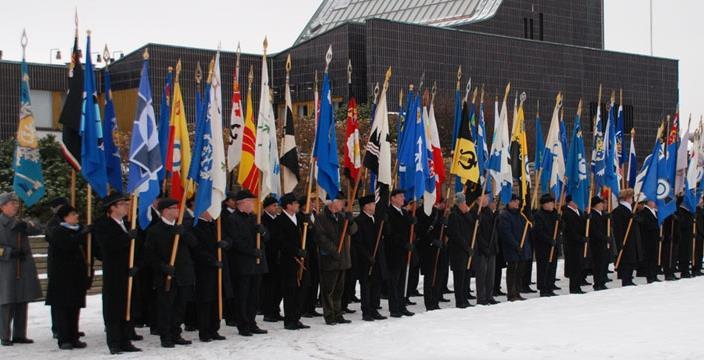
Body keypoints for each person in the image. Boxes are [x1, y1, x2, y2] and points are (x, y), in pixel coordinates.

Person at [92, 192, 141, 354]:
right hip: (114, 273)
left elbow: (137, 250)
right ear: (112, 208)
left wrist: (136, 265)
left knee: (128, 306)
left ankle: (126, 340)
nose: (126, 207)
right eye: (122, 204)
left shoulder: (127, 224)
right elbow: (107, 247)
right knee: (114, 308)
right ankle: (114, 342)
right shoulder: (102, 224)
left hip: (129, 272)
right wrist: (127, 238)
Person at [146, 198, 198, 348]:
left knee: (180, 306)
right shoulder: (154, 230)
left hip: (183, 273)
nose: (177, 210)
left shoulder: (182, 227)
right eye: (174, 208)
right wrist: (163, 267)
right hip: (167, 275)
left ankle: (176, 333)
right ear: (165, 211)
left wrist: (183, 234)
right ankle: (166, 335)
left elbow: (194, 244)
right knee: (166, 306)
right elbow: (150, 255)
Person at [223, 189, 269, 337]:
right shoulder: (233, 219)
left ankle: (251, 321)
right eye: (250, 202)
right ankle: (242, 324)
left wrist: (262, 232)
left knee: (254, 296)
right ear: (241, 204)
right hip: (242, 264)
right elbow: (235, 241)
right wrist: (251, 251)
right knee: (242, 296)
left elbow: (267, 238)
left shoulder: (255, 218)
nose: (252, 205)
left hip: (257, 264)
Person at [44, 205, 89, 350]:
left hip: (76, 277)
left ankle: (74, 336)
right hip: (61, 278)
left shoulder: (77, 230)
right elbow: (68, 245)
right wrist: (82, 234)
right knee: (62, 310)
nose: (76, 216)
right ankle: (64, 339)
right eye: (73, 214)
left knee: (74, 308)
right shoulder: (58, 231)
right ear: (65, 217)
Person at [0, 192, 41, 347]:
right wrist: (9, 252)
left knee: (22, 300)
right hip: (6, 268)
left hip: (22, 267)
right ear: (2, 206)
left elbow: (38, 228)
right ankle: (4, 335)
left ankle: (19, 334)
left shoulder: (20, 222)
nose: (15, 206)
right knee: (7, 302)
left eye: (16, 203)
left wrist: (29, 226)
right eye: (11, 203)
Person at [314, 192, 357, 325]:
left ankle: (338, 313)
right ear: (332, 202)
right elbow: (321, 238)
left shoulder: (342, 216)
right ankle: (329, 315)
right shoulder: (321, 217)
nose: (343, 204)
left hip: (342, 259)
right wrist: (333, 251)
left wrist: (351, 222)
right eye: (341, 201)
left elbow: (353, 231)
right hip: (329, 259)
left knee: (339, 290)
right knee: (328, 290)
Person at [274, 193, 311, 330]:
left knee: (302, 290)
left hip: (302, 259)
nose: (298, 205)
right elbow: (280, 241)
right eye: (295, 203)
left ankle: (297, 317)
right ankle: (289, 320)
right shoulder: (280, 220)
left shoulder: (300, 219)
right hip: (289, 261)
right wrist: (295, 251)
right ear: (288, 205)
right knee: (290, 291)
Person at [191, 210, 228, 342]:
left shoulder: (215, 225)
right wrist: (211, 261)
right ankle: (204, 330)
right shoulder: (196, 226)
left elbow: (227, 237)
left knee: (217, 300)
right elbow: (197, 249)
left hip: (219, 268)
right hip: (204, 270)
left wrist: (224, 243)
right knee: (206, 301)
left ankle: (214, 329)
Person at [353, 195, 388, 320]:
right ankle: (366, 311)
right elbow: (358, 243)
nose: (374, 206)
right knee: (366, 286)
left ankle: (374, 309)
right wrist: (367, 256)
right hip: (365, 260)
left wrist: (385, 221)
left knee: (376, 285)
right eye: (372, 204)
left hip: (377, 258)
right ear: (366, 206)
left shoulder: (376, 219)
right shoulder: (359, 221)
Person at [384, 189, 416, 317]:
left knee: (403, 280)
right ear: (393, 198)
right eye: (400, 196)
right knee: (394, 282)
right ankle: (394, 308)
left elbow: (410, 229)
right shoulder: (389, 212)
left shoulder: (404, 212)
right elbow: (390, 233)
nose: (403, 198)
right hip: (394, 252)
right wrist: (403, 243)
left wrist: (413, 222)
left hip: (404, 253)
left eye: (403, 196)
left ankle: (402, 305)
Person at [416, 199, 446, 311]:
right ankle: (429, 303)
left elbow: (441, 230)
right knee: (430, 277)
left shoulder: (437, 212)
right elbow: (420, 231)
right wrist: (432, 241)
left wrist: (445, 225)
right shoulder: (419, 212)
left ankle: (436, 300)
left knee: (439, 276)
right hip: (427, 250)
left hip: (439, 249)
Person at [447, 192, 475, 308]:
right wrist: (466, 247)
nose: (466, 205)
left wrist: (468, 213)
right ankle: (460, 300)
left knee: (466, 276)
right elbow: (456, 235)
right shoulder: (454, 215)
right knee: (459, 278)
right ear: (459, 204)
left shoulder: (464, 214)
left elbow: (472, 225)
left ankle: (465, 298)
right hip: (458, 252)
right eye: (464, 203)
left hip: (466, 251)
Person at [499, 194, 527, 302]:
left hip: (520, 247)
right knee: (512, 271)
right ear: (509, 202)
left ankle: (517, 292)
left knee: (519, 271)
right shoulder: (505, 215)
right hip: (511, 248)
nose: (517, 203)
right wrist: (516, 245)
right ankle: (511, 293)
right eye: (514, 201)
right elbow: (506, 233)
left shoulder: (519, 214)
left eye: (517, 201)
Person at [612, 189, 642, 286]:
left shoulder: (630, 209)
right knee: (626, 260)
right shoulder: (619, 210)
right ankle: (626, 279)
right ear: (627, 198)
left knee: (631, 259)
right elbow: (619, 228)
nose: (632, 199)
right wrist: (620, 241)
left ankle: (629, 277)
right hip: (625, 239)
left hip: (632, 238)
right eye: (631, 197)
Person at [261, 195, 283, 323]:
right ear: (267, 207)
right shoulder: (263, 220)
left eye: (277, 205)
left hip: (279, 257)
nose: (276, 208)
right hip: (269, 257)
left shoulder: (279, 219)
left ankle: (275, 310)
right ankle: (268, 311)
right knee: (269, 287)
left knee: (279, 286)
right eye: (274, 206)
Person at [299, 196, 322, 318]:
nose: (312, 204)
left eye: (313, 202)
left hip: (316, 252)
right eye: (309, 202)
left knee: (315, 280)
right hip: (306, 251)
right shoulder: (300, 217)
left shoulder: (315, 215)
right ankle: (304, 307)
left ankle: (311, 306)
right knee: (307, 281)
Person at [532, 194, 558, 297]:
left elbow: (559, 228)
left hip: (553, 245)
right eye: (550, 203)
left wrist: (559, 221)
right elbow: (539, 231)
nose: (552, 204)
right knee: (544, 267)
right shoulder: (539, 215)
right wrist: (549, 240)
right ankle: (543, 288)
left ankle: (550, 286)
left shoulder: (555, 213)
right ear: (544, 204)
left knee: (552, 267)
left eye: (552, 202)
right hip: (543, 246)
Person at [563, 195, 587, 294]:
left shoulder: (579, 211)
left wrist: (586, 218)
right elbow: (570, 230)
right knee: (574, 267)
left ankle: (578, 286)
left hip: (580, 243)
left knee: (579, 265)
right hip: (573, 244)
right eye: (575, 201)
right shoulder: (567, 213)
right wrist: (579, 238)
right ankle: (574, 288)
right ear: (570, 202)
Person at [588, 196, 609, 290]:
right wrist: (604, 238)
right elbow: (594, 231)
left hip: (603, 243)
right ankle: (597, 283)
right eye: (601, 203)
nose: (603, 205)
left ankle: (602, 281)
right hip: (596, 243)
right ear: (595, 205)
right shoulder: (592, 214)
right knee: (598, 264)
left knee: (603, 263)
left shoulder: (601, 214)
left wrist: (608, 218)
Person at [638, 199, 661, 283]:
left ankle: (654, 275)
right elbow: (646, 224)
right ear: (649, 202)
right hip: (648, 239)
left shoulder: (655, 211)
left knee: (654, 257)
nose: (655, 203)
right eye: (653, 201)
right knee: (649, 258)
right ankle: (650, 276)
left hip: (655, 238)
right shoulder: (644, 211)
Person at [676, 196, 694, 278]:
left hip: (688, 236)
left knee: (687, 254)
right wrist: (691, 220)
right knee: (683, 254)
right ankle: (684, 271)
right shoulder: (680, 210)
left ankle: (686, 270)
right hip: (682, 236)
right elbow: (683, 224)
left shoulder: (689, 211)